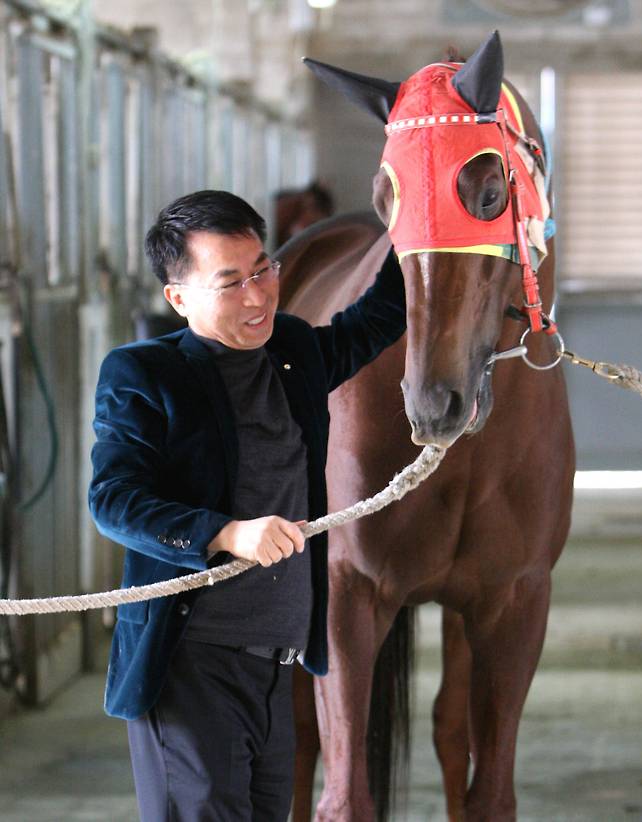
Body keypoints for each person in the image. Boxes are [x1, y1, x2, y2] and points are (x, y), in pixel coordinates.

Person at [88, 189, 406, 821]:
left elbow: (379, 316)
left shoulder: (292, 352)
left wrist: (416, 217)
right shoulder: (143, 374)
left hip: (275, 667)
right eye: (230, 282)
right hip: (188, 665)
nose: (258, 296)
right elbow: (113, 500)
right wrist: (226, 533)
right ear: (179, 298)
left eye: (263, 269)